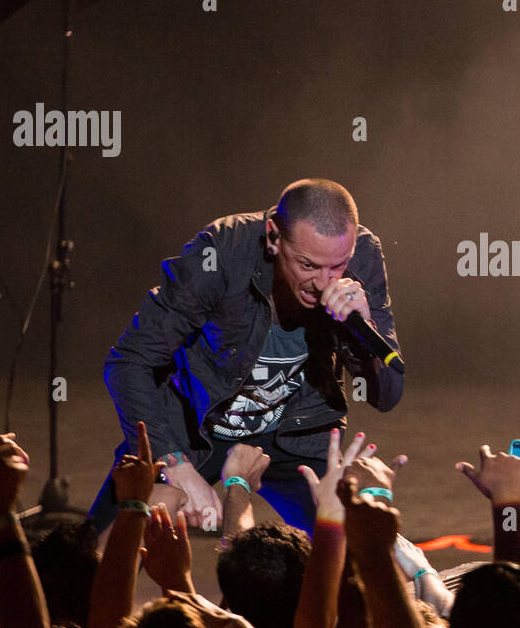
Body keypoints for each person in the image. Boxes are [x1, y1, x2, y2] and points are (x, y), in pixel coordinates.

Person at [88, 178, 403, 533]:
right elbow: (129, 361)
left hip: (296, 433)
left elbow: (388, 394)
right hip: (198, 428)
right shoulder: (222, 251)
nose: (324, 283)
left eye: (338, 267)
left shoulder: (363, 253)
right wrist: (172, 462)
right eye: (308, 265)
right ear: (273, 237)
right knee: (100, 557)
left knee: (352, 553)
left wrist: (361, 329)